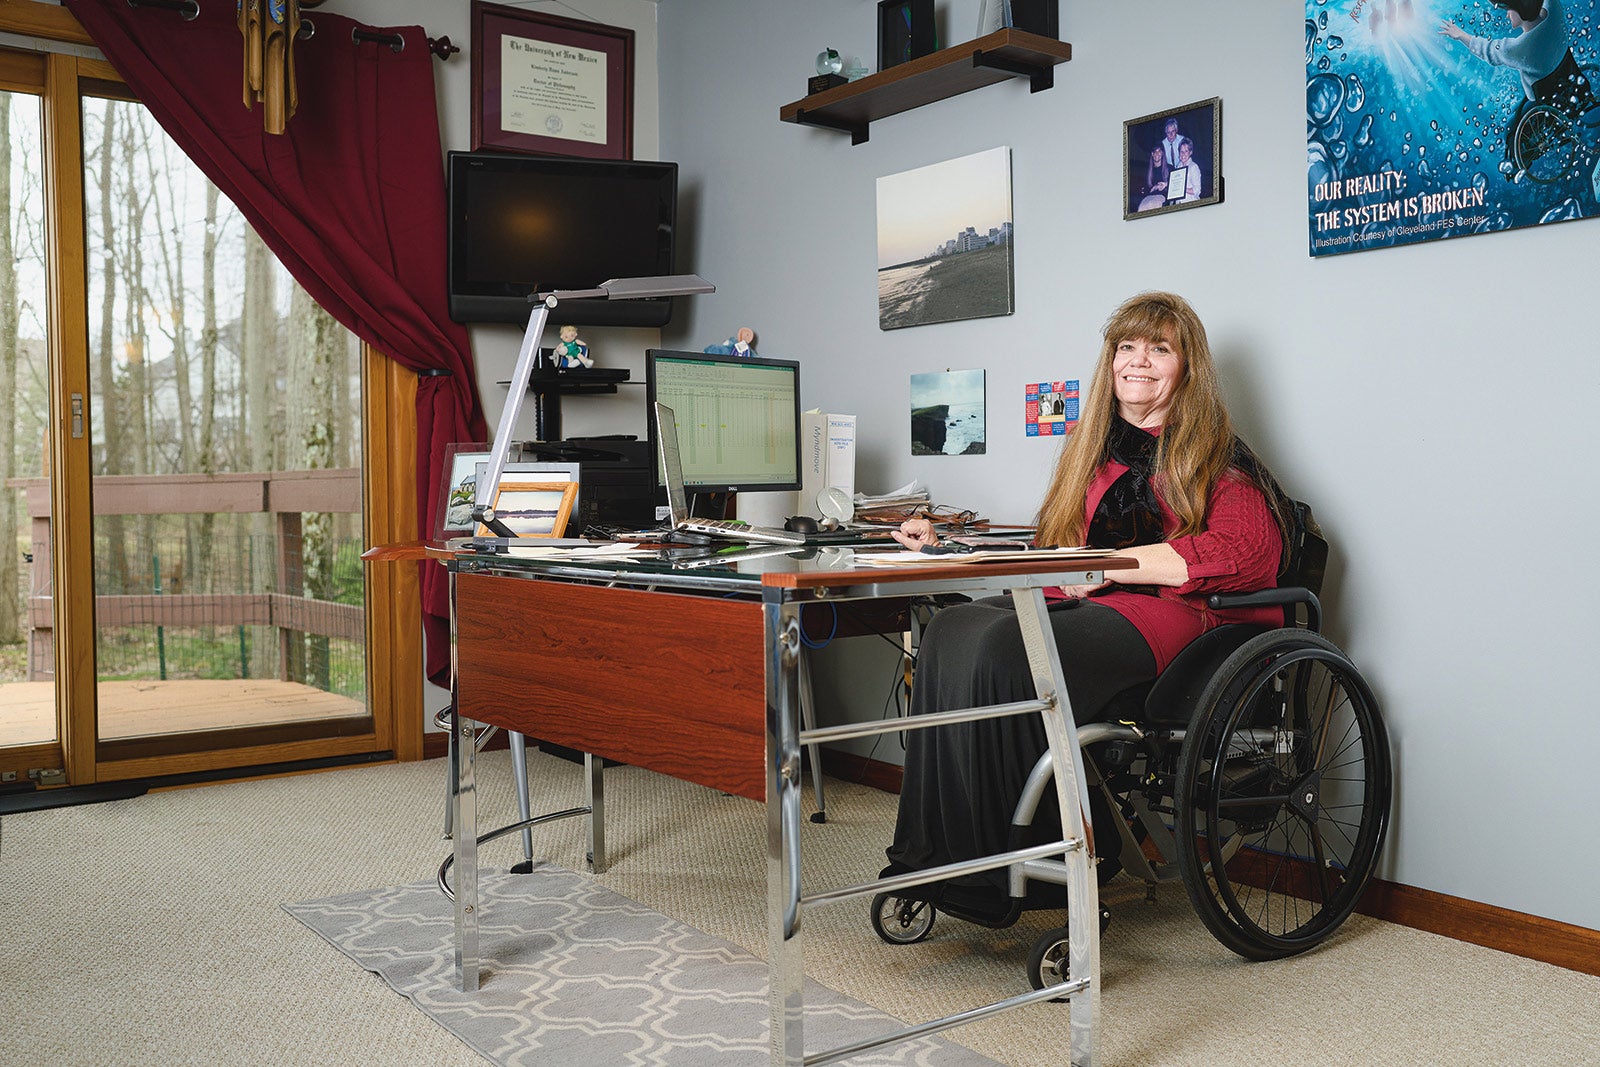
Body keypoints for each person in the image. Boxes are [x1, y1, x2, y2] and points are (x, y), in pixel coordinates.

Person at [882, 291, 1292, 921]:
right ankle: (937, 858)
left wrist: (1107, 567)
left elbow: (1244, 551)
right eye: (1127, 346)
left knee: (1002, 648)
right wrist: (950, 541)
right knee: (952, 628)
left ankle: (1026, 874)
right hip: (1099, 607)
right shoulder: (1094, 453)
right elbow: (1054, 544)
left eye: (1160, 349)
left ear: (1188, 366)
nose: (1139, 361)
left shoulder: (1216, 457)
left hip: (1183, 617)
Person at [1438, 0, 1596, 168]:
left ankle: (1517, 166)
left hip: (1546, 101)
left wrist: (1461, 35)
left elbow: (1489, 50)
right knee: (1517, 112)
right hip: (1573, 84)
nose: (1506, 14)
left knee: (1511, 130)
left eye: (1508, 9)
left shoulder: (1520, 47)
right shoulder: (1554, 12)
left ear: (1522, 8)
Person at [1137, 143, 1169, 211]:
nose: (1157, 154)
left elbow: (1175, 184)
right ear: (1152, 154)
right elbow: (1144, 189)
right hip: (1149, 197)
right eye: (1155, 151)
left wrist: (1165, 184)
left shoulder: (1169, 168)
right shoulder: (1147, 171)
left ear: (1162, 153)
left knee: (1151, 206)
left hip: (1162, 197)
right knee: (1141, 208)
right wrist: (1154, 187)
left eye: (1159, 151)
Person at [1174, 137, 1204, 202]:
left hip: (1191, 203)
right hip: (1178, 204)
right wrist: (1166, 184)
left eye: (1186, 151)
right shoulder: (1178, 166)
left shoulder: (1194, 167)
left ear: (1190, 152)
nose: (1183, 154)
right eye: (1181, 151)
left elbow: (1197, 190)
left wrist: (1182, 189)